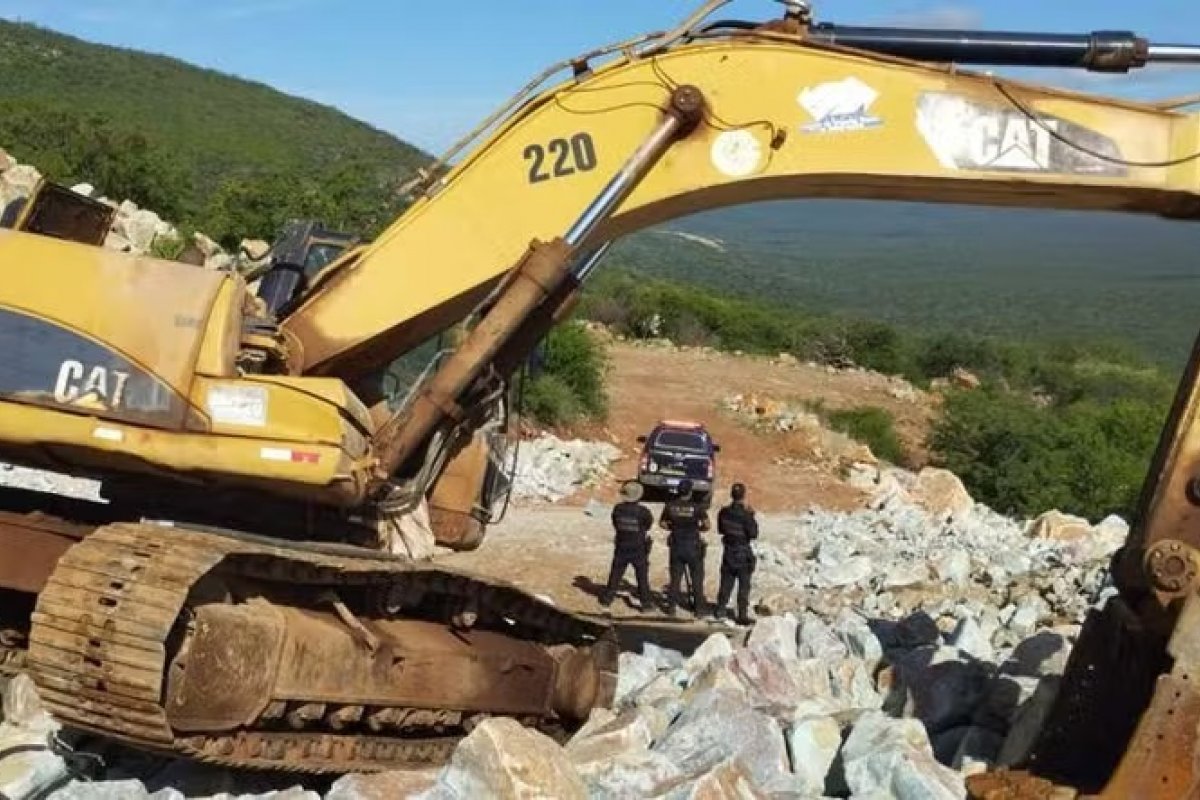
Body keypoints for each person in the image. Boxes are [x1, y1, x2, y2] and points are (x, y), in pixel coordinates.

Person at [600, 480, 655, 612]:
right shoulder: (643, 511)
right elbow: (648, 525)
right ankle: (646, 604)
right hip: (638, 547)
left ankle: (607, 599)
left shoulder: (618, 509)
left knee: (615, 574)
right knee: (642, 576)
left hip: (621, 545)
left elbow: (615, 523)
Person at [659, 478, 710, 618]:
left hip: (676, 545)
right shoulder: (697, 506)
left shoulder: (670, 505)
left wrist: (674, 527)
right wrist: (697, 528)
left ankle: (671, 608)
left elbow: (662, 523)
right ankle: (699, 609)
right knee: (697, 578)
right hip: (693, 545)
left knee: (675, 579)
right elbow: (707, 525)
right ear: (690, 491)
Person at [714, 482, 759, 625]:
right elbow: (753, 534)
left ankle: (720, 609)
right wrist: (752, 516)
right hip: (743, 553)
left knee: (726, 583)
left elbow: (721, 530)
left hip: (729, 551)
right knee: (744, 586)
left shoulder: (723, 512)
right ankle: (742, 614)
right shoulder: (746, 515)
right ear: (743, 495)